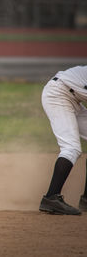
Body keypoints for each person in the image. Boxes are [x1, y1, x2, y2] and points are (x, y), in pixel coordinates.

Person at [39, 65, 87, 215]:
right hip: (58, 94)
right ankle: (51, 197)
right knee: (71, 148)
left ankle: (86, 199)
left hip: (71, 95)